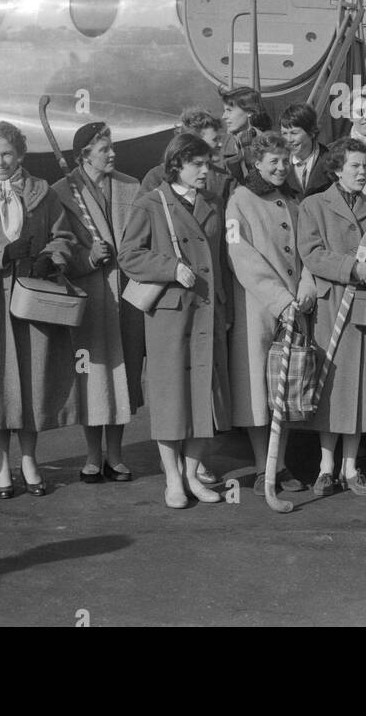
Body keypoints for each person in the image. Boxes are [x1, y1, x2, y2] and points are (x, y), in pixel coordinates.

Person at [0, 121, 78, 498]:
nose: (0, 162)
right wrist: (0, 253)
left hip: (33, 296)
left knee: (31, 380)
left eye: (7, 154)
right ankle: (1, 464)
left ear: (20, 154)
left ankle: (30, 460)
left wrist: (50, 258)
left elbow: (64, 236)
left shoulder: (43, 192)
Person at [120, 132, 232, 509]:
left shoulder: (214, 204)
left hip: (207, 312)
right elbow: (129, 255)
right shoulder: (152, 203)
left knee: (204, 395)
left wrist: (225, 309)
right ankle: (172, 480)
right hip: (169, 315)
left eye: (207, 163)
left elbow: (221, 264)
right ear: (176, 166)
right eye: (196, 164)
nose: (205, 171)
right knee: (171, 398)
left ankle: (192, 474)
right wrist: (169, 268)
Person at [297, 136, 366, 496]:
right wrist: (353, 268)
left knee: (357, 388)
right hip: (330, 305)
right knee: (330, 387)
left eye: (365, 165)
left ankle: (351, 468)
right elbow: (311, 253)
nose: (362, 170)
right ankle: (325, 468)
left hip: (364, 307)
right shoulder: (314, 205)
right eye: (354, 165)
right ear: (337, 169)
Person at [51, 122, 145, 484]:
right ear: (84, 155)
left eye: (111, 147)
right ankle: (92, 456)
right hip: (89, 298)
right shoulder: (61, 192)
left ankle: (117, 456)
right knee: (92, 378)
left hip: (126, 297)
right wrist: (87, 258)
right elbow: (57, 245)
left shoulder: (130, 186)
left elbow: (143, 238)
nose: (112, 154)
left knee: (123, 376)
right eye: (104, 149)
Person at [226, 131, 317, 493]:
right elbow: (241, 256)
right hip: (259, 306)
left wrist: (307, 288)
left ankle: (280, 461)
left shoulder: (296, 199)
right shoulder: (240, 200)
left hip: (295, 305)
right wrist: (280, 300)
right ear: (256, 164)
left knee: (288, 381)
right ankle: (268, 464)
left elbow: (310, 248)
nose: (280, 168)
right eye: (272, 162)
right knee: (258, 386)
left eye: (284, 161)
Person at [140, 107, 233, 207]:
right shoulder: (156, 176)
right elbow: (143, 213)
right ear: (194, 141)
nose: (220, 144)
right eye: (215, 139)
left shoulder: (223, 177)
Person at [280, 102, 332, 197]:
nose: (289, 140)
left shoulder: (331, 161)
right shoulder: (277, 163)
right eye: (284, 133)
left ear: (311, 132)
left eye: (294, 133)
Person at [219, 85, 265, 181]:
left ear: (249, 112)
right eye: (224, 111)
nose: (224, 116)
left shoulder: (269, 145)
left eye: (229, 110)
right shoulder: (221, 146)